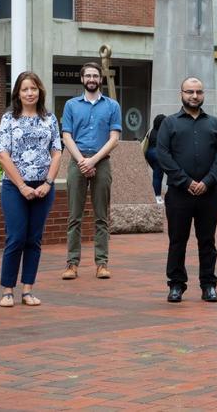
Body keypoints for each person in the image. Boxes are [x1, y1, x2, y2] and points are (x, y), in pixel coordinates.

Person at [156, 77, 217, 303]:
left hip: (208, 194)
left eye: (198, 92)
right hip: (179, 193)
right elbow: (163, 155)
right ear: (181, 94)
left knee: (207, 241)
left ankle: (208, 285)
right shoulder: (170, 123)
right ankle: (176, 284)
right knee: (178, 240)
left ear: (203, 94)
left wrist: (208, 181)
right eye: (189, 92)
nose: (194, 96)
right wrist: (186, 181)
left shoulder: (214, 124)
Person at [0, 71, 62, 308]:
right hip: (15, 187)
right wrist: (22, 186)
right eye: (25, 89)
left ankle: (28, 290)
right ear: (17, 93)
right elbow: (2, 155)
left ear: (40, 91)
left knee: (34, 239)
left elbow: (57, 151)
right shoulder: (8, 119)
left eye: (33, 88)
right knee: (16, 237)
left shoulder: (50, 119)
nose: (29, 93)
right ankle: (7, 290)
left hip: (43, 187)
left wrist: (48, 183)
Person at [61, 62, 122, 281]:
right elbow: (66, 136)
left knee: (101, 217)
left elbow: (114, 138)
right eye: (88, 75)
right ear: (82, 79)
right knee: (74, 217)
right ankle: (72, 264)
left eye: (95, 75)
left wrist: (93, 161)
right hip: (77, 162)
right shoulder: (71, 105)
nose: (92, 79)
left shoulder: (112, 105)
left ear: (100, 79)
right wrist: (82, 161)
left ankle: (102, 263)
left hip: (102, 161)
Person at [144, 114, 166, 205]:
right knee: (158, 175)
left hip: (149, 154)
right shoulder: (163, 132)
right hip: (158, 154)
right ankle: (157, 196)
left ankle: (154, 195)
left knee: (156, 174)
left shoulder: (151, 131)